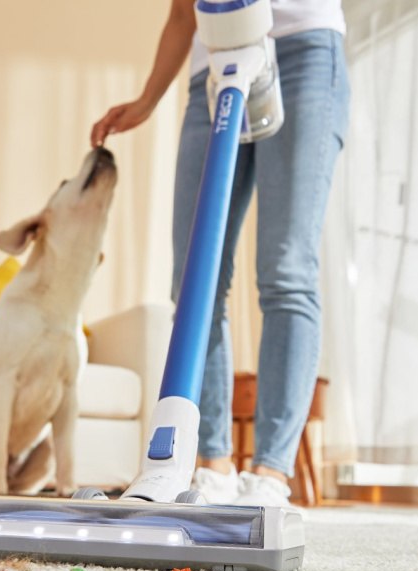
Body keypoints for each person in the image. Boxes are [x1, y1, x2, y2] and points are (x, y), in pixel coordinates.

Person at [90, 0, 349, 507]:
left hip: (304, 52)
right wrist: (146, 100)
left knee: (286, 269)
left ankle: (271, 473)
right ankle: (211, 466)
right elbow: (184, 13)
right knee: (193, 280)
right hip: (213, 64)